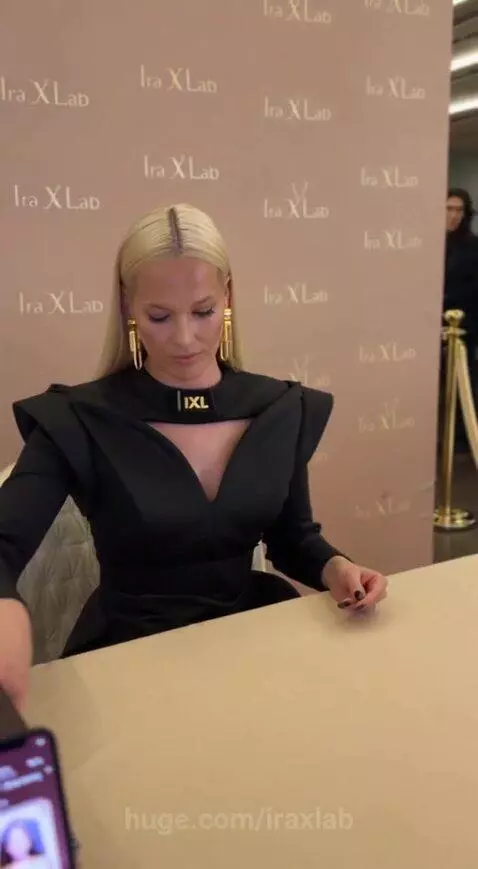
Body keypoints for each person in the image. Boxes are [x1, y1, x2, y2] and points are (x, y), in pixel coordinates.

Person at [0, 203, 388, 711]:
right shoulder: (77, 419)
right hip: (133, 656)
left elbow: (293, 539)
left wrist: (335, 568)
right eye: (159, 316)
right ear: (127, 306)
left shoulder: (279, 408)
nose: (185, 339)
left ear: (228, 295)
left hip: (252, 637)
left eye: (203, 311)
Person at [442, 189, 478, 449]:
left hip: (464, 325)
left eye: (458, 210)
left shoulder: (473, 246)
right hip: (427, 324)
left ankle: (460, 439)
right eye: (449, 209)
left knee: (460, 383)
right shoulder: (428, 242)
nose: (453, 216)